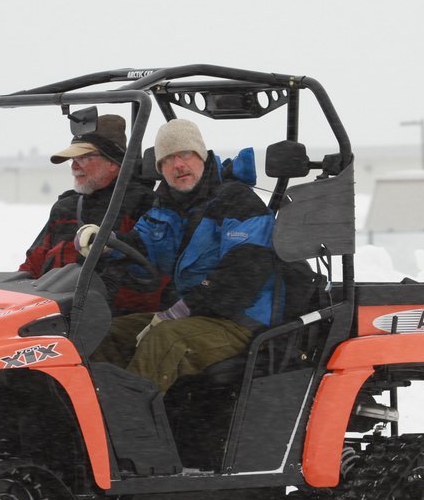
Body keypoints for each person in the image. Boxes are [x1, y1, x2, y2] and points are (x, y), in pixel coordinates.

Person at [82, 118, 278, 393]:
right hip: (192, 314)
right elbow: (143, 246)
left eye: (185, 154)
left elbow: (241, 277)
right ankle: (95, 405)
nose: (178, 165)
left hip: (239, 321)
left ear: (201, 156)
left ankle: (130, 416)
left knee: (164, 340)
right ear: (160, 168)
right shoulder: (167, 206)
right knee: (107, 333)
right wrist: (108, 243)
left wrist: (178, 311)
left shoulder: (238, 202)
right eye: (167, 159)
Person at [18, 113, 164, 314]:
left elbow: (151, 275)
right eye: (73, 159)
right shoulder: (65, 207)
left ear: (112, 162)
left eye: (84, 158)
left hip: (107, 317)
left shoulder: (142, 204)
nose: (74, 166)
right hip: (54, 312)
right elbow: (32, 266)